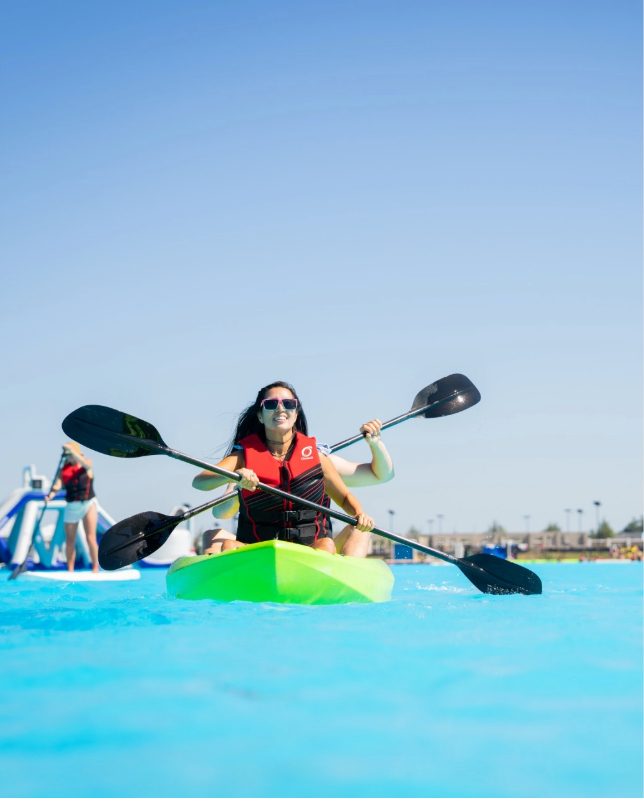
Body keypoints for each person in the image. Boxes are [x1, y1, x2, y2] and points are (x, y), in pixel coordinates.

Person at [193, 382, 375, 556]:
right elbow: (199, 482)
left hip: (311, 550)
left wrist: (359, 513)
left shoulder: (318, 458)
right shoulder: (242, 458)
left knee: (330, 542)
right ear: (260, 416)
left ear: (296, 413)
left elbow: (344, 498)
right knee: (229, 545)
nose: (280, 408)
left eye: (288, 404)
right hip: (260, 551)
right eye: (271, 404)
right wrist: (234, 476)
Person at [201, 417, 394, 556]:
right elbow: (220, 514)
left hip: (314, 549)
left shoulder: (321, 461)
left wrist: (376, 444)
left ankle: (349, 584)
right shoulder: (245, 465)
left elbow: (381, 475)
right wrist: (239, 488)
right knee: (213, 535)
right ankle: (214, 581)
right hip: (261, 551)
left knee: (361, 529)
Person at [44, 442, 99, 572]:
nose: (69, 457)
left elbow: (86, 464)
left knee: (90, 538)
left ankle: (96, 568)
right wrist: (51, 495)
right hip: (72, 506)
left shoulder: (86, 464)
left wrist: (71, 451)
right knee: (70, 540)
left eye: (71, 454)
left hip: (88, 504)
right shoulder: (63, 469)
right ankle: (70, 569)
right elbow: (58, 485)